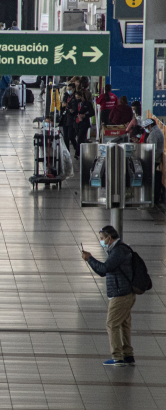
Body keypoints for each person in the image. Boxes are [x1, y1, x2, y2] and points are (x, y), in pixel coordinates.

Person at [81, 226, 136, 367]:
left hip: (120, 294)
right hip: (125, 292)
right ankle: (128, 356)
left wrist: (90, 259)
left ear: (109, 238)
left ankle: (117, 357)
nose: (102, 241)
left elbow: (104, 270)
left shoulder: (118, 251)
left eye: (102, 238)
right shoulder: (121, 249)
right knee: (123, 324)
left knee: (111, 324)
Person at [141, 118, 165, 203]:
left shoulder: (154, 134)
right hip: (156, 157)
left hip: (154, 158)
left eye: (146, 127)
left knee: (150, 176)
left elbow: (152, 148)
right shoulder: (157, 131)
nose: (146, 129)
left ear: (150, 126)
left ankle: (151, 196)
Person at [74, 90, 95, 159]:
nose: (77, 99)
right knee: (80, 138)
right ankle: (82, 151)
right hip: (76, 123)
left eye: (78, 97)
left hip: (84, 123)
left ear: (82, 96)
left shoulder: (88, 104)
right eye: (76, 97)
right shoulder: (75, 103)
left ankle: (77, 153)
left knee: (80, 138)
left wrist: (85, 115)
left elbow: (92, 112)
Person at [61, 83, 79, 154]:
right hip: (65, 118)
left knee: (71, 136)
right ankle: (67, 152)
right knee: (65, 137)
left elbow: (73, 109)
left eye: (70, 89)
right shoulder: (66, 95)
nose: (68, 91)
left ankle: (76, 148)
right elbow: (63, 105)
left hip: (72, 119)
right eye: (68, 89)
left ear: (73, 89)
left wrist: (67, 106)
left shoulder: (75, 97)